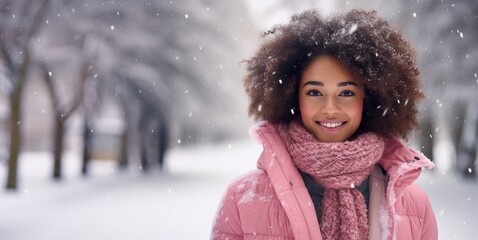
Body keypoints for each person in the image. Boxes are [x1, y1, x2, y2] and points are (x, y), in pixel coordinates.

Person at [211, 9, 438, 240]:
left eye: (347, 92)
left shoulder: (414, 206)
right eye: (315, 92)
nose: (330, 108)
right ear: (294, 97)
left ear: (368, 98)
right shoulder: (241, 199)